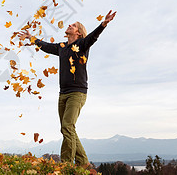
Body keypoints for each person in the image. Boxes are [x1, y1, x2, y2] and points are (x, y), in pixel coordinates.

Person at [18, 10, 116, 170]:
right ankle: (84, 163)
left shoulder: (82, 45)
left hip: (78, 93)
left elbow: (93, 37)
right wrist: (31, 38)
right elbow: (47, 47)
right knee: (67, 128)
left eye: (73, 25)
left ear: (78, 32)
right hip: (62, 93)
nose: (69, 25)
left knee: (67, 126)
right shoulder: (62, 47)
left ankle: (66, 165)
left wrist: (103, 24)